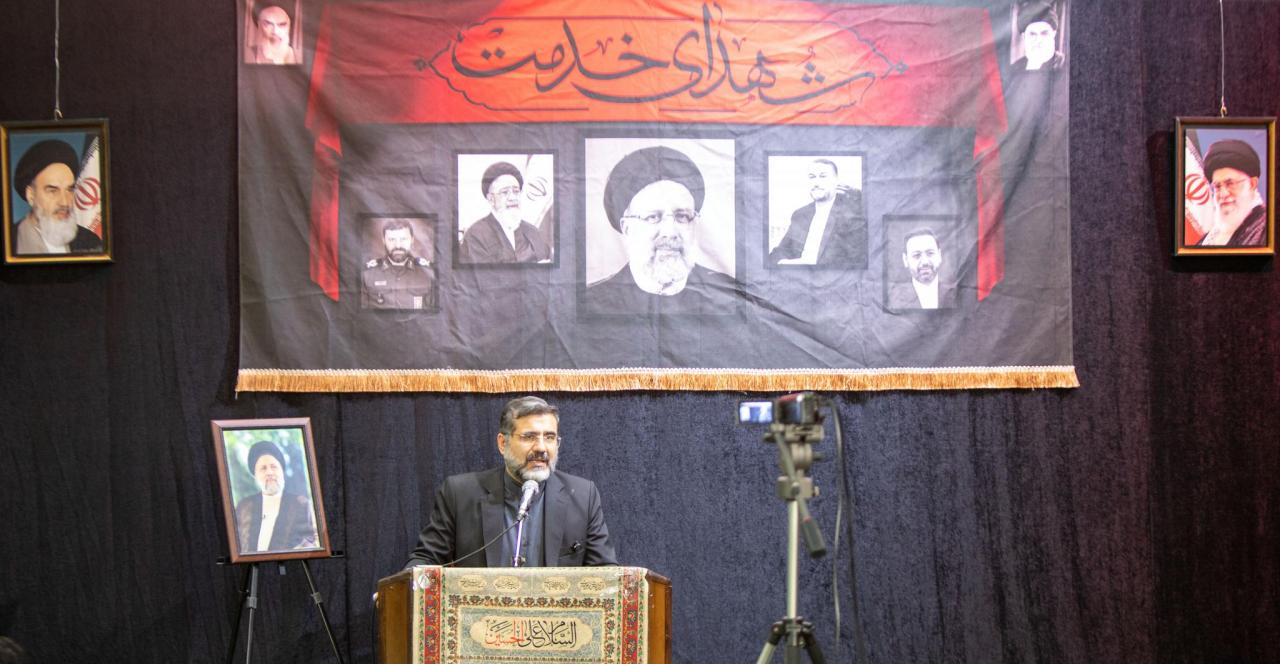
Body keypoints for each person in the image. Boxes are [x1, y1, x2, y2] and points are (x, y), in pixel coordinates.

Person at [406, 396, 617, 568]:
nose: (541, 448)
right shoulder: (460, 494)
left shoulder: (583, 496)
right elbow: (424, 561)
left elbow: (606, 574)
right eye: (529, 437)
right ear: (502, 443)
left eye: (550, 437)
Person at [586, 145, 739, 314]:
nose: (670, 232)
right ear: (627, 228)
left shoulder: (729, 297)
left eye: (682, 217)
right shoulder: (592, 302)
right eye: (653, 217)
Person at [768, 158, 867, 267]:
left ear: (836, 180)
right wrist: (783, 263)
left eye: (823, 176)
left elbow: (858, 261)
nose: (816, 183)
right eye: (812, 177)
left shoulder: (850, 214)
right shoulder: (800, 214)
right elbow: (781, 251)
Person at [11, 140, 102, 255]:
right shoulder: (10, 242)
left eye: (69, 189)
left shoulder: (90, 241)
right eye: (53, 191)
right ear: (31, 195)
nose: (64, 202)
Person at [234, 440, 319, 554]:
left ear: (282, 471)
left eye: (273, 467)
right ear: (255, 476)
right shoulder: (244, 507)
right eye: (263, 468)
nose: (269, 472)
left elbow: (312, 540)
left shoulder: (300, 504)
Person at [459, 161, 552, 263]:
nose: (512, 197)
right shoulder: (476, 235)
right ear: (491, 199)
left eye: (516, 191)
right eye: (505, 192)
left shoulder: (532, 231)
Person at [1197, 139, 1268, 247]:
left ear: (1252, 184)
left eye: (1230, 183)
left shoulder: (1266, 229)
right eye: (1217, 186)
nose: (1223, 194)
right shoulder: (1212, 236)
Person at [361, 219, 436, 309]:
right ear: (384, 240)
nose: (398, 245)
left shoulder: (428, 273)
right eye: (392, 240)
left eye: (403, 239)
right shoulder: (367, 274)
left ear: (412, 240)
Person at [888, 228, 955, 310]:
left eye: (930, 253)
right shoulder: (892, 300)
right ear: (905, 260)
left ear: (939, 255)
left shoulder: (958, 294)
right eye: (917, 255)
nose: (925, 262)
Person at [1012, 3, 1064, 71]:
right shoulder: (1015, 68)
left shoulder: (1064, 65)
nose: (1038, 40)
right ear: (1024, 37)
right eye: (1032, 34)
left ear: (1053, 34)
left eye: (1044, 33)